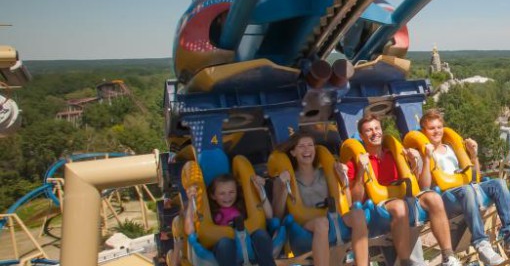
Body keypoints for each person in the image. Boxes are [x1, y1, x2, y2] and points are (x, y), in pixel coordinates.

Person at [418, 109, 510, 265]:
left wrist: (473, 155)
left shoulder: (451, 148)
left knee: (498, 183)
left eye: (439, 127)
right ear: (424, 131)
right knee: (467, 190)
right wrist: (427, 159)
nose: (437, 131)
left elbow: (475, 176)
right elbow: (424, 186)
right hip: (446, 196)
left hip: (464, 189)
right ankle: (481, 244)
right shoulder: (423, 152)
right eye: (432, 128)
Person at [343, 113, 462, 266]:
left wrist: (415, 162)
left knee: (433, 197)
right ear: (361, 135)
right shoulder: (355, 161)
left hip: (403, 199)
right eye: (369, 130)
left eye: (377, 128)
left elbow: (417, 184)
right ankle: (406, 262)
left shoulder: (394, 154)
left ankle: (448, 256)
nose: (374, 133)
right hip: (378, 207)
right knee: (400, 206)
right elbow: (356, 200)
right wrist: (360, 170)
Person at [272, 133, 369, 266]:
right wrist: (283, 188)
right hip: (305, 226)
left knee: (358, 214)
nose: (307, 149)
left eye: (310, 145)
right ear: (293, 152)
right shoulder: (285, 179)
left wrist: (343, 180)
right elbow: (277, 214)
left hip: (332, 219)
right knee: (321, 223)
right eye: (301, 146)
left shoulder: (326, 173)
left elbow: (347, 203)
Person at [184, 173, 276, 266]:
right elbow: (190, 231)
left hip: (248, 242)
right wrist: (191, 202)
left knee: (261, 234)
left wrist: (260, 190)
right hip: (223, 248)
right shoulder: (210, 213)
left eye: (231, 192)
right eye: (222, 193)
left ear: (237, 191)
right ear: (213, 195)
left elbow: (269, 215)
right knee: (225, 243)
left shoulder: (243, 207)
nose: (227, 197)